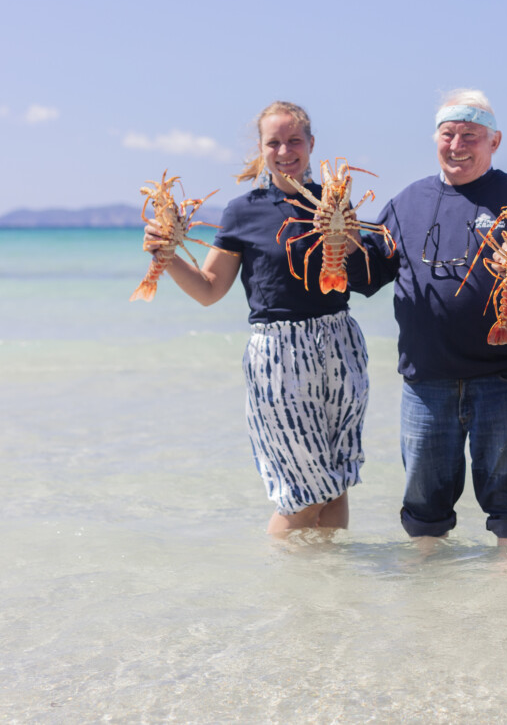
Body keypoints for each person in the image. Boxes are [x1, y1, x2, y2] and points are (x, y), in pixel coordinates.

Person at [145, 102, 370, 538]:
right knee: (303, 496)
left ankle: (333, 596)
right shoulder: (242, 210)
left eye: (294, 141)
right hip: (278, 354)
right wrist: (166, 256)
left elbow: (360, 270)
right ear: (261, 149)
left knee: (337, 485)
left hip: (341, 343)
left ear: (311, 145)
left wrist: (351, 234)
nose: (285, 151)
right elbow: (210, 288)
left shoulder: (335, 201)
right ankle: (282, 592)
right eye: (274, 142)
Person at [350, 90, 507, 549]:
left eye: (470, 135)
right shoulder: (405, 202)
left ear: (494, 142)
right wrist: (337, 237)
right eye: (448, 134)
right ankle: (426, 610)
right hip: (426, 383)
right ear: (435, 138)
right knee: (423, 510)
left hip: (506, 379)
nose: (457, 145)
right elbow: (366, 275)